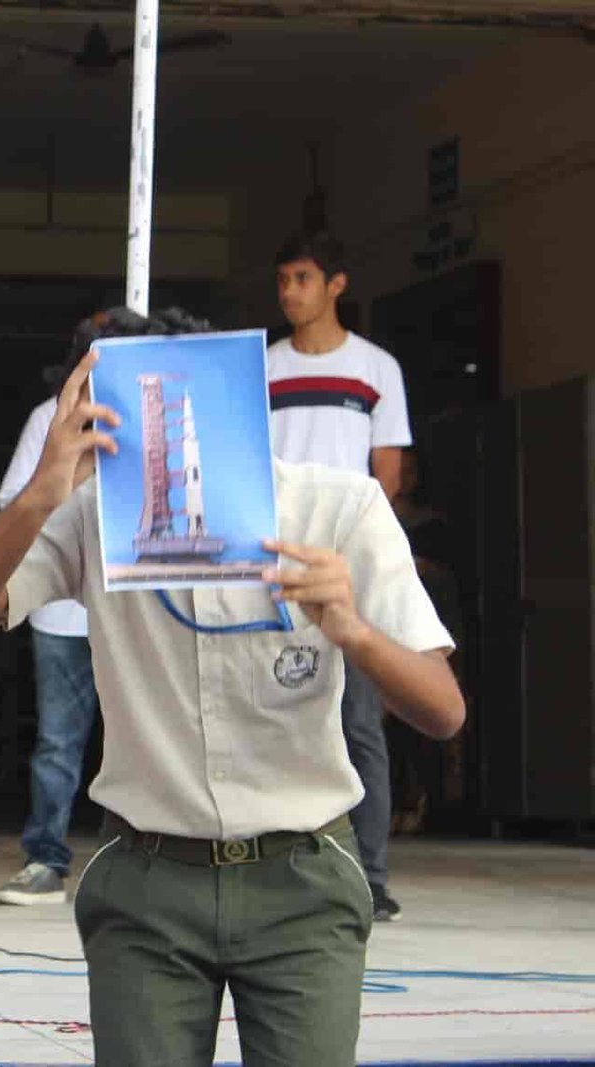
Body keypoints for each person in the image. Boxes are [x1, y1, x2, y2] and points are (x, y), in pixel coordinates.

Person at [0, 306, 463, 1066]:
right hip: (148, 880)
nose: (159, 432)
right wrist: (42, 492)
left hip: (302, 876)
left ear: (231, 393)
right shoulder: (89, 517)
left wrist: (355, 630)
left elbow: (442, 710)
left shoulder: (339, 506)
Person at [269, 232, 413, 921]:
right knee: (273, 719)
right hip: (274, 566)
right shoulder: (262, 368)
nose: (289, 291)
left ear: (336, 285)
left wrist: (361, 550)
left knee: (358, 725)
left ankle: (371, 877)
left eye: (302, 278)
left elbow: (388, 475)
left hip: (348, 570)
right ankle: (276, 870)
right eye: (283, 280)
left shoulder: (376, 368)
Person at [0, 321, 108, 907]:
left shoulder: (158, 414)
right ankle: (45, 859)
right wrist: (65, 480)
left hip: (139, 609)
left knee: (153, 738)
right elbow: (13, 501)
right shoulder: (48, 418)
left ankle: (148, 862)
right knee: (59, 741)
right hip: (62, 611)